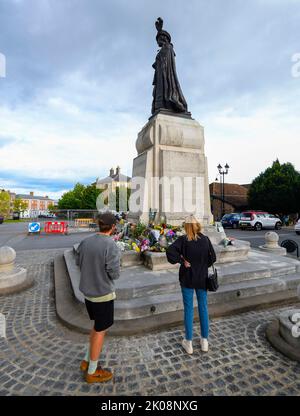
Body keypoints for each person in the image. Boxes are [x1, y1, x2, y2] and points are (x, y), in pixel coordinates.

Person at [76, 211, 121, 383]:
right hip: (103, 294)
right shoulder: (110, 245)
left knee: (96, 327)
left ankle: (87, 361)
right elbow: (114, 273)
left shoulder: (86, 241)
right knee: (101, 330)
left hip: (88, 293)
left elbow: (78, 262)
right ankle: (93, 372)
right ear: (113, 227)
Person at [166, 215, 216, 354]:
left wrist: (182, 261)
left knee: (188, 309)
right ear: (197, 225)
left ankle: (189, 342)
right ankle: (204, 341)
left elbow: (170, 251)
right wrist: (202, 264)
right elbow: (213, 258)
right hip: (201, 278)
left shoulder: (183, 240)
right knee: (203, 308)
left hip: (187, 278)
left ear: (186, 226)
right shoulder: (205, 240)